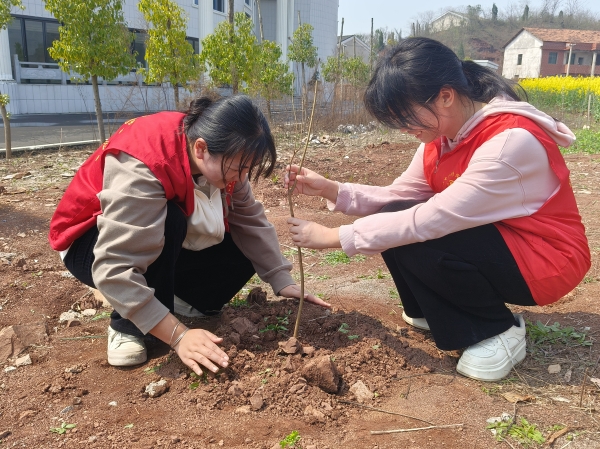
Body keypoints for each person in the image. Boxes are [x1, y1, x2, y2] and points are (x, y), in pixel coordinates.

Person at [285, 38, 590, 382]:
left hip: (544, 258)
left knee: (418, 233)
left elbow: (433, 219)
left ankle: (497, 329)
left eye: (406, 116)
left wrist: (335, 237)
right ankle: (432, 309)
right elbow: (399, 195)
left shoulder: (509, 143)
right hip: (502, 239)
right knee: (397, 211)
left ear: (445, 96)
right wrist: (332, 189)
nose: (403, 129)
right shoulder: (442, 137)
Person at [49, 95, 330, 375]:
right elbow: (113, 267)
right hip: (91, 244)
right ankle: (127, 326)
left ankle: (174, 299)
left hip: (154, 241)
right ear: (201, 149)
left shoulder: (225, 152)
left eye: (247, 169)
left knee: (245, 248)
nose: (241, 177)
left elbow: (249, 220)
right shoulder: (146, 161)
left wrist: (282, 279)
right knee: (170, 220)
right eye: (237, 169)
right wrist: (179, 335)